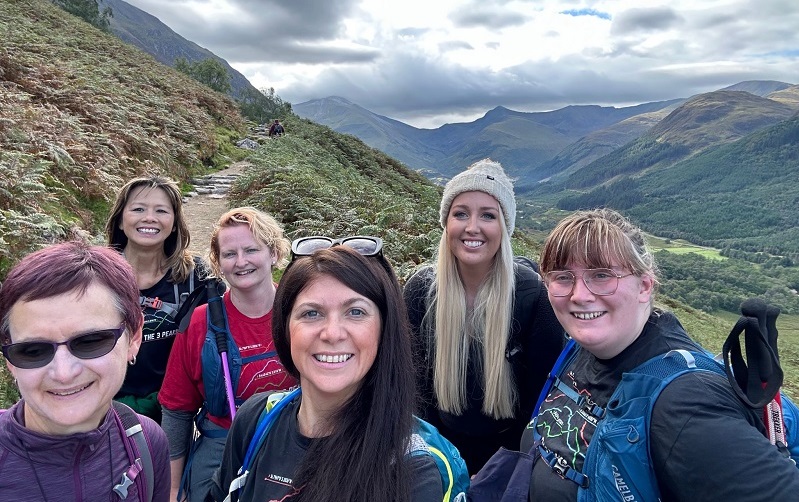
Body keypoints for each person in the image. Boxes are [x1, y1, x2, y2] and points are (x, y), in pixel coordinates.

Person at [519, 208, 799, 500]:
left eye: (601, 275)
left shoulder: (685, 403)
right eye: (563, 277)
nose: (579, 295)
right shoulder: (583, 347)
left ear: (644, 286)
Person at [208, 239, 443, 501]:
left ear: (384, 329)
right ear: (285, 328)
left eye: (355, 312)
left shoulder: (413, 469)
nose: (332, 333)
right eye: (311, 313)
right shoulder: (256, 420)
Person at [403, 158, 564, 473]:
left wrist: (508, 470)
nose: (472, 227)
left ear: (504, 228)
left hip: (509, 457)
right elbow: (414, 389)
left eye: (488, 215)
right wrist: (436, 458)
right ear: (446, 223)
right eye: (460, 213)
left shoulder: (533, 296)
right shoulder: (420, 290)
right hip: (437, 452)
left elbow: (541, 399)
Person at [0, 241, 170, 500]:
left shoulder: (147, 442)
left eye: (90, 342)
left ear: (134, 338)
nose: (63, 373)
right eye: (33, 350)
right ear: (10, 359)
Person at [159, 207, 298, 502]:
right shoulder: (199, 322)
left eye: (251, 250)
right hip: (221, 446)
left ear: (274, 254)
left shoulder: (299, 312)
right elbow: (177, 409)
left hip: (294, 442)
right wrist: (172, 490)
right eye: (229, 254)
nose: (241, 262)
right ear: (218, 263)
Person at [106, 175, 212, 422]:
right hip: (103, 406)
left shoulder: (196, 277)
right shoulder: (96, 274)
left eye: (161, 210)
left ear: (174, 223)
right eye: (138, 209)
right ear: (121, 220)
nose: (149, 218)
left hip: (173, 410)